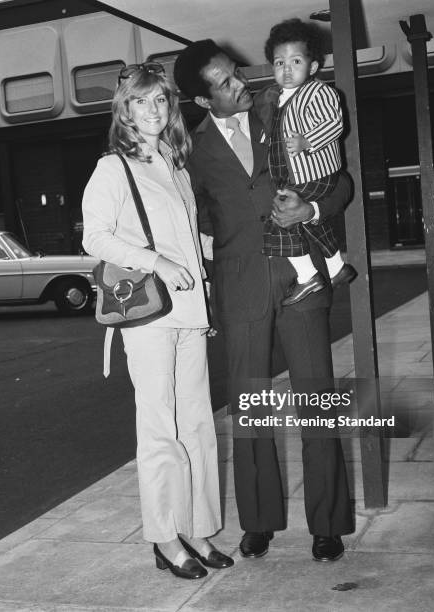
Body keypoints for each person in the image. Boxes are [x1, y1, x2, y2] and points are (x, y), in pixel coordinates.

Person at [174, 41, 354, 562]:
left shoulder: (285, 107)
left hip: (303, 278)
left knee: (317, 400)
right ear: (205, 101)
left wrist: (312, 210)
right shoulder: (193, 149)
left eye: (237, 74)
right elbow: (193, 222)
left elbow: (339, 179)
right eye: (225, 84)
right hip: (242, 285)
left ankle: (328, 524)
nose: (241, 85)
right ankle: (258, 521)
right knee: (252, 408)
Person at [82, 62, 233, 580]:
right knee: (159, 428)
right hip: (148, 313)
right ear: (124, 111)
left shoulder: (175, 164)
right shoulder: (113, 168)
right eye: (141, 102)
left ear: (171, 108)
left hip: (190, 311)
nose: (152, 110)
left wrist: (211, 258)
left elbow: (187, 237)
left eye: (160, 101)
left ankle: (197, 526)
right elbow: (95, 237)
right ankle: (165, 537)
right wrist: (158, 262)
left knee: (197, 424)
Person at [259, 18, 357, 305]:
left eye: (296, 61)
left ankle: (308, 277)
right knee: (309, 222)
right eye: (279, 63)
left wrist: (307, 141)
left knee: (280, 219)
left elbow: (334, 124)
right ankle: (337, 268)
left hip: (313, 173)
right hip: (293, 177)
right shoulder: (276, 99)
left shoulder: (319, 91)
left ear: (313, 67)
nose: (287, 70)